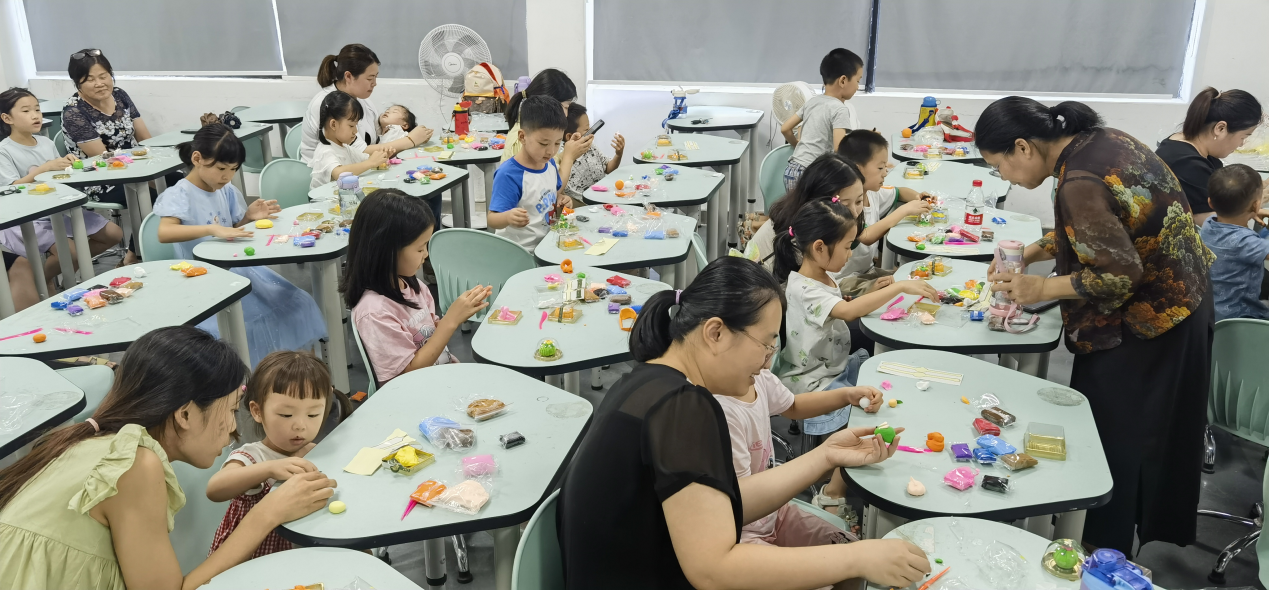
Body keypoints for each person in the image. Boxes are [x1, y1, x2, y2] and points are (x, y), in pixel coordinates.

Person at [558, 257, 931, 590]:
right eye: (766, 344)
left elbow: (720, 505)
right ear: (716, 333)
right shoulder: (683, 406)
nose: (768, 362)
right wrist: (856, 558)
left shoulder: (645, 382)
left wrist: (827, 454)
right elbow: (713, 570)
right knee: (850, 566)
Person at [974, 97, 1214, 553]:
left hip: (1152, 322)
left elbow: (1121, 274)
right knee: (1135, 433)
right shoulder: (1098, 142)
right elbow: (1102, 229)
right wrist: (1031, 252)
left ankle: (1099, 551)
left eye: (998, 165)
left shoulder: (1077, 181)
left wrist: (1040, 288)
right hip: (1184, 299)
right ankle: (1104, 536)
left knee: (1119, 439)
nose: (1004, 177)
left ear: (1022, 147)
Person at [0, 326, 338, 590]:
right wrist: (268, 512)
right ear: (185, 414)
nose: (233, 427)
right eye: (231, 410)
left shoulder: (99, 441)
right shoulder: (135, 464)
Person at [772, 199, 937, 517]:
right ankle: (832, 493)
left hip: (829, 363)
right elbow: (846, 312)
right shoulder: (805, 289)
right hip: (812, 379)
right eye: (847, 247)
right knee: (867, 416)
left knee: (880, 383)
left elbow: (840, 304)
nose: (850, 254)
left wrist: (872, 291)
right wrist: (900, 287)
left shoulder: (819, 275)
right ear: (819, 247)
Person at [153, 123, 326, 368]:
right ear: (197, 159)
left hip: (238, 270)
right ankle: (253, 380)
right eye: (221, 168)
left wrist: (248, 218)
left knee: (298, 302)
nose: (227, 176)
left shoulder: (226, 189)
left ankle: (299, 377)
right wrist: (211, 229)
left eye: (233, 169)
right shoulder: (179, 194)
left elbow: (232, 228)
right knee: (247, 327)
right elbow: (165, 232)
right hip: (201, 279)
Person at [717, 358, 883, 551]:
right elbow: (742, 504)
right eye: (763, 345)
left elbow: (792, 405)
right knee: (850, 559)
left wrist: (846, 395)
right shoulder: (718, 414)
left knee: (851, 549)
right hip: (740, 532)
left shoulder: (758, 377)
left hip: (773, 513)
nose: (769, 363)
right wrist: (826, 457)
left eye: (772, 347)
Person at [342, 189, 491, 386]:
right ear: (387, 250)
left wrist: (458, 313)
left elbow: (429, 335)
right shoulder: (374, 312)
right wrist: (451, 321)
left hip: (443, 378)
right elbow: (405, 377)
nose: (426, 254)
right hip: (418, 392)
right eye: (420, 248)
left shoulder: (414, 286)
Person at [207, 351, 333, 559]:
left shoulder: (316, 451)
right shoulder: (252, 456)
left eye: (313, 414)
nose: (300, 426)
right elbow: (215, 489)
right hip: (252, 557)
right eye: (286, 414)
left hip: (300, 552)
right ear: (257, 411)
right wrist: (269, 468)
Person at [60, 49, 175, 262]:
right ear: (77, 83)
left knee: (181, 183)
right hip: (99, 178)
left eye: (103, 76)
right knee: (152, 198)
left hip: (137, 168)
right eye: (90, 79)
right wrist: (149, 178)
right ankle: (134, 256)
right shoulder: (73, 112)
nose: (99, 83)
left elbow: (145, 139)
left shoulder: (120, 95)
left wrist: (156, 167)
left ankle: (177, 246)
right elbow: (104, 158)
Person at [0, 87, 122, 286]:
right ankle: (41, 283)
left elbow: (58, 176)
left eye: (37, 109)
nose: (35, 115)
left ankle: (60, 276)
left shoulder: (45, 142)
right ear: (7, 118)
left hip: (55, 209)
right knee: (70, 252)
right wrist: (44, 169)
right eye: (26, 111)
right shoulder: (4, 150)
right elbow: (10, 189)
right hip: (25, 217)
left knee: (113, 234)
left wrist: (69, 165)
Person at [298, 44, 432, 163]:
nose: (374, 83)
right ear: (348, 76)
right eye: (370, 78)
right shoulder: (326, 104)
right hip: (329, 174)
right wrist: (410, 140)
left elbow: (379, 138)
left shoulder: (362, 100)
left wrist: (409, 135)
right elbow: (359, 151)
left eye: (376, 77)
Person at [1156, 87, 1263, 225]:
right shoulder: (1189, 165)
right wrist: (1253, 204)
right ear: (1220, 128)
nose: (1241, 144)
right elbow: (1214, 223)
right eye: (1243, 137)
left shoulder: (1179, 142)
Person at [488, 95, 572, 249]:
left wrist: (562, 199)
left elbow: (549, 195)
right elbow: (492, 219)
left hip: (546, 245)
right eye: (543, 143)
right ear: (522, 137)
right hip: (520, 251)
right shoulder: (509, 174)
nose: (551, 151)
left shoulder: (550, 164)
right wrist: (508, 217)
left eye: (557, 143)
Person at [780, 48, 863, 190]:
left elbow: (785, 128)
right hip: (813, 174)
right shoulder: (840, 109)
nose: (858, 87)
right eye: (857, 80)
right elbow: (839, 149)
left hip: (792, 170)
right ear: (843, 80)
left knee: (796, 206)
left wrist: (797, 145)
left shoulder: (812, 102)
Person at [1200, 164, 1269, 321]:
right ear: (1256, 204)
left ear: (1210, 203)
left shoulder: (1208, 224)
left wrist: (1249, 212)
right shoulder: (1246, 243)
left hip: (1211, 311)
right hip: (1242, 316)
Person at [308, 90, 389, 189]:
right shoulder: (324, 151)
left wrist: (381, 157)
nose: (355, 131)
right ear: (333, 124)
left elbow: (366, 159)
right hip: (324, 198)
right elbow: (339, 173)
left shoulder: (346, 148)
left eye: (356, 125)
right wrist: (370, 163)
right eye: (351, 126)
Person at [558, 102, 625, 201]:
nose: (591, 132)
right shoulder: (563, 158)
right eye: (586, 130)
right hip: (584, 204)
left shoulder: (591, 147)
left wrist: (618, 154)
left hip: (604, 198)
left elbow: (608, 168)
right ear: (569, 136)